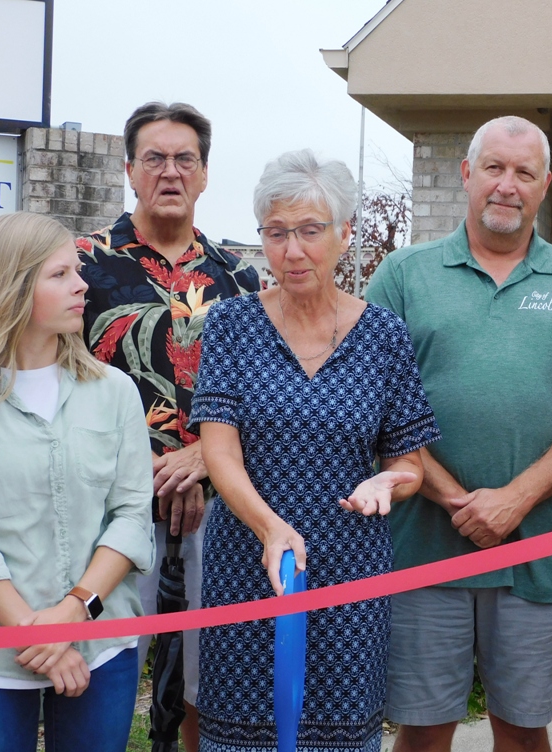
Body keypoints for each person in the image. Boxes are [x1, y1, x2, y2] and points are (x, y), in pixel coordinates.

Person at [366, 115, 552, 752]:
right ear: (467, 174)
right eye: (494, 168)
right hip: (423, 544)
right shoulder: (405, 275)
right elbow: (369, 401)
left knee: (523, 727)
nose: (507, 185)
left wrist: (516, 499)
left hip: (537, 547)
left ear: (544, 186)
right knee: (422, 729)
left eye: (524, 173)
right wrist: (456, 499)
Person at [189, 149, 440, 752]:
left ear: (344, 233)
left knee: (339, 732)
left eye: (309, 230)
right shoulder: (231, 325)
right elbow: (219, 452)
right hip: (248, 560)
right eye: (276, 233)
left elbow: (409, 462)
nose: (292, 250)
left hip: (349, 568)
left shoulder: (383, 334)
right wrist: (271, 528)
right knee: (241, 731)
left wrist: (388, 483)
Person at [77, 101, 260, 751]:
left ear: (205, 173)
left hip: (218, 509)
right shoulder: (82, 265)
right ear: (130, 169)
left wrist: (206, 456)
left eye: (186, 159)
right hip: (106, 508)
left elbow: (265, 391)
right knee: (98, 672)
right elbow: (54, 378)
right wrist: (140, 464)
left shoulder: (240, 277)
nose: (171, 171)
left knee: (207, 685)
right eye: (154, 158)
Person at [0, 213, 154, 752]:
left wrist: (75, 611)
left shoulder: (115, 391)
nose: (82, 285)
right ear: (12, 287)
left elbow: (131, 515)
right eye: (59, 275)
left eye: (76, 270)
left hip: (101, 644)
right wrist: (37, 632)